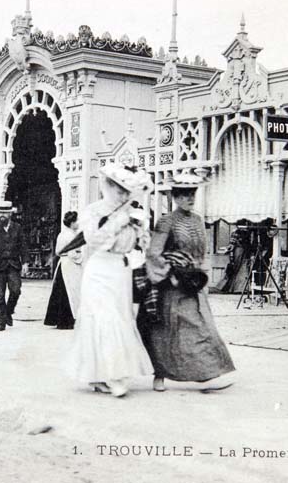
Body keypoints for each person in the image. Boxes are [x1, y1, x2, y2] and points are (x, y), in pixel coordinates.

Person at [140, 172, 235, 392]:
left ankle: (207, 373)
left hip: (193, 284)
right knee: (167, 332)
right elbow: (154, 252)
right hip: (172, 285)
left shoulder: (198, 220)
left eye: (192, 194)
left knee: (201, 328)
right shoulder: (166, 221)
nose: (190, 199)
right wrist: (170, 274)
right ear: (175, 197)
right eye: (184, 195)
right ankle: (160, 375)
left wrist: (202, 277)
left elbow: (203, 252)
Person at [67, 164, 154, 398]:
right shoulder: (94, 212)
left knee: (121, 317)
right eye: (119, 190)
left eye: (127, 192)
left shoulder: (132, 212)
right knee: (104, 318)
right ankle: (112, 375)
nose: (123, 196)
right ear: (108, 187)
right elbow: (95, 240)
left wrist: (139, 228)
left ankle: (102, 375)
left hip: (120, 271)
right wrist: (119, 221)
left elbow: (142, 246)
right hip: (99, 270)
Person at [0, 201, 28, 331]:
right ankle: (1, 323)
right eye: (0, 212)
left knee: (16, 290)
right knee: (0, 295)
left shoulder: (18, 228)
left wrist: (25, 262)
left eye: (5, 212)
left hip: (13, 265)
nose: (2, 215)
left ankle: (9, 311)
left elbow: (23, 246)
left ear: (10, 213)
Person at [44, 211, 83, 330]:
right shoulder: (70, 235)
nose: (78, 223)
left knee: (61, 291)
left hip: (64, 264)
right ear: (72, 223)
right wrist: (82, 256)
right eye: (76, 221)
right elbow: (73, 253)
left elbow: (57, 251)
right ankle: (66, 320)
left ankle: (58, 319)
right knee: (69, 291)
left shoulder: (62, 234)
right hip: (70, 264)